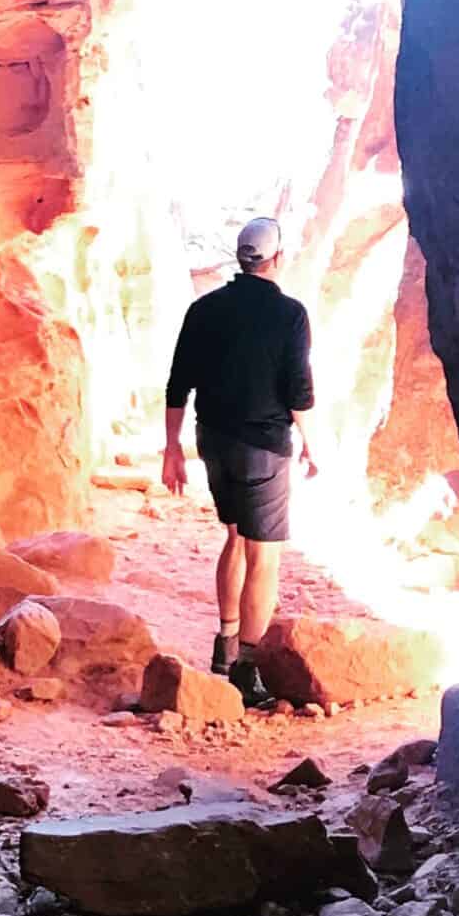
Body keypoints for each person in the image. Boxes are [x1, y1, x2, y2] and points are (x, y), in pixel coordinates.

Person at [162, 214, 319, 707]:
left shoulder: (204, 309)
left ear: (240, 257)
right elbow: (298, 391)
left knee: (233, 537)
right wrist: (311, 440)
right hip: (264, 447)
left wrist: (172, 450)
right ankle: (247, 671)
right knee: (264, 555)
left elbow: (177, 385)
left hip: (213, 441)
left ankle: (223, 646)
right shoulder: (289, 315)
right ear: (276, 258)